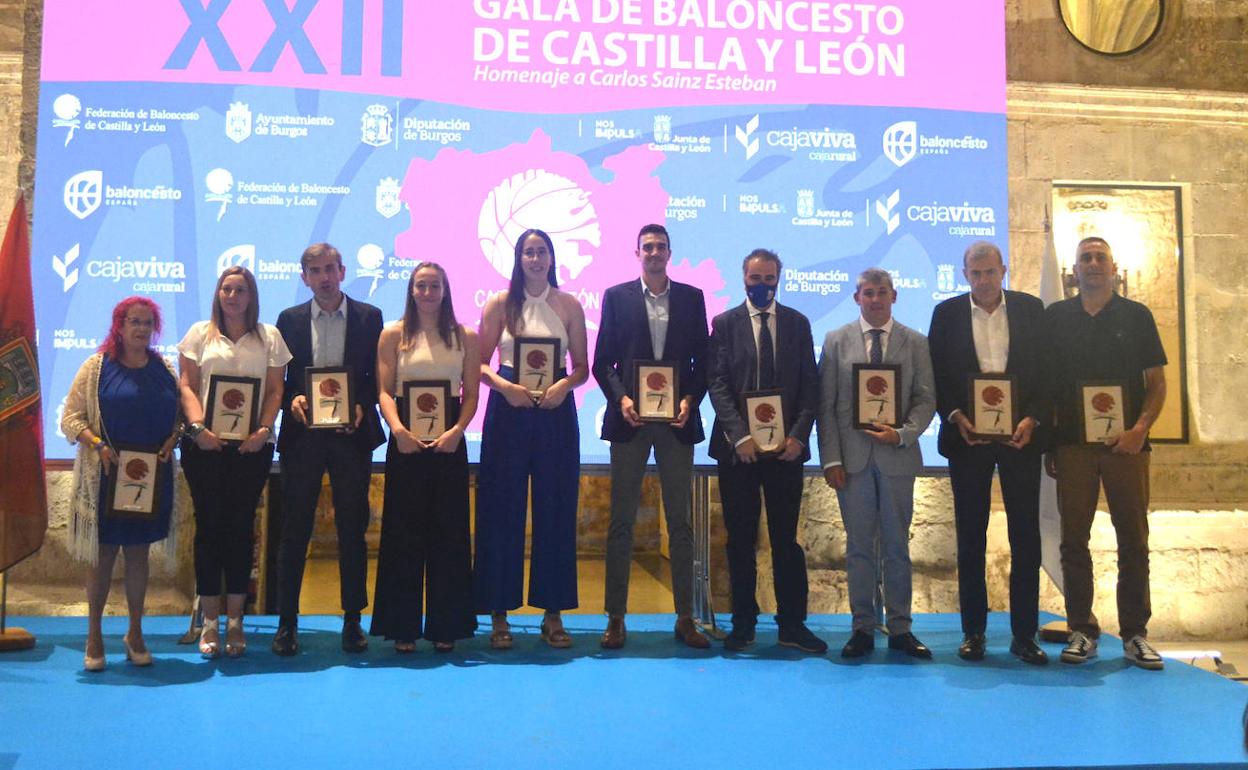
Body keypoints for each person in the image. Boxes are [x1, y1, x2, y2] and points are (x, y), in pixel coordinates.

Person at [1045, 236, 1167, 670]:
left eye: (1100, 257)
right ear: (1074, 270)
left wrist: (1138, 430)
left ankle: (1135, 634)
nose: (1093, 264)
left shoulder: (1137, 316)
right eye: (1085, 258)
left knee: (1134, 540)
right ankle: (1082, 628)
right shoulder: (1056, 317)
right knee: (1073, 540)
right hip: (1073, 446)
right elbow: (1047, 387)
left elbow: (1156, 385)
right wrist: (1051, 444)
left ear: (1113, 267)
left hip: (1127, 449)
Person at [927, 241, 1049, 665]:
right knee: (970, 538)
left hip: (1021, 439)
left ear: (1004, 270)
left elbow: (1048, 372)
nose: (983, 280)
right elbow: (937, 376)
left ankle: (1024, 634)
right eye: (975, 273)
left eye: (990, 272)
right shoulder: (946, 314)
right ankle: (974, 632)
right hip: (970, 439)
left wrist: (1031, 418)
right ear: (965, 275)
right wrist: (957, 414)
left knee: (1026, 537)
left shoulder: (1032, 310)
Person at [592, 224, 710, 650]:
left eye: (661, 246)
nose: (655, 252)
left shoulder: (692, 298)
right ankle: (615, 618)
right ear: (637, 252)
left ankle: (685, 617)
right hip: (631, 422)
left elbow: (703, 360)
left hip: (677, 423)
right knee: (621, 521)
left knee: (680, 522)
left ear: (670, 253)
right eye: (648, 247)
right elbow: (602, 361)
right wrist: (622, 398)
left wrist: (690, 399)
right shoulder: (616, 297)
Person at [475, 229, 589, 649]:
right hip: (508, 410)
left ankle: (553, 612)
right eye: (528, 252)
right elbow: (479, 364)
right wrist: (505, 389)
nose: (535, 259)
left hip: (556, 412)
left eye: (542, 252)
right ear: (518, 258)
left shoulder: (569, 304)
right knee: (500, 508)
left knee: (556, 509)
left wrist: (564, 387)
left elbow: (582, 367)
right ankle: (498, 613)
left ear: (551, 257)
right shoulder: (499, 305)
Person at [707, 248, 825, 654]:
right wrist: (738, 436)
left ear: (779, 279)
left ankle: (792, 624)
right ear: (743, 279)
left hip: (785, 452)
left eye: (769, 278)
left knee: (786, 541)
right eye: (755, 279)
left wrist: (798, 436)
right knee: (740, 541)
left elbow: (810, 385)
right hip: (738, 452)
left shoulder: (797, 324)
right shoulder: (724, 324)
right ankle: (743, 624)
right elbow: (717, 384)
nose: (762, 286)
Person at [271, 243, 385, 657]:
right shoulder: (289, 320)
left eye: (330, 269)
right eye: (315, 270)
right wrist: (292, 400)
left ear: (342, 271)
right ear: (304, 277)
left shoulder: (370, 318)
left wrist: (362, 402)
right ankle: (286, 623)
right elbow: (278, 382)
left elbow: (378, 376)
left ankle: (353, 621)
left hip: (351, 435)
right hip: (303, 436)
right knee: (294, 530)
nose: (324, 277)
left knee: (352, 529)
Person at [817, 268, 936, 659]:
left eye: (882, 292)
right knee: (859, 547)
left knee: (898, 547)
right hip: (851, 462)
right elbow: (828, 406)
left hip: (898, 457)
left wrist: (902, 433)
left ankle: (900, 628)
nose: (875, 299)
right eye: (868, 293)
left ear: (894, 296)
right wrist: (831, 458)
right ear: (857, 298)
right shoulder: (836, 341)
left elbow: (926, 399)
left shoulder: (916, 342)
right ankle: (862, 627)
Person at [62, 297, 181, 671]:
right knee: (104, 557)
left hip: (149, 479)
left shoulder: (165, 368)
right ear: (120, 325)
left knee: (138, 556)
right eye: (134, 322)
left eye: (147, 323)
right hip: (106, 478)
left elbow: (180, 417)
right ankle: (94, 635)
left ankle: (135, 632)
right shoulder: (96, 368)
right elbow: (70, 418)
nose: (141, 329)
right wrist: (97, 445)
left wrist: (172, 440)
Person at [178, 266, 291, 658]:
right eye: (226, 288)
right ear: (218, 293)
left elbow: (277, 390)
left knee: (241, 531)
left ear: (251, 296)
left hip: (251, 449)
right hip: (203, 447)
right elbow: (187, 385)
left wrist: (262, 429)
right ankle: (209, 622)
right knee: (209, 530)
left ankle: (236, 622)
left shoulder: (270, 337)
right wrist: (197, 428)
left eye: (240, 289)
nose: (232, 295)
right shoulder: (198, 334)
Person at [370, 262, 480, 653]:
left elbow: (471, 394)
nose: (428, 292)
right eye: (422, 285)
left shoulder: (465, 336)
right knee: (403, 534)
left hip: (450, 441)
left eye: (435, 285)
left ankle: (445, 624)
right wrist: (397, 430)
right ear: (412, 290)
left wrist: (457, 431)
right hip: (405, 443)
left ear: (445, 290)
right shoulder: (393, 335)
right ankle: (402, 625)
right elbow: (384, 391)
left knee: (449, 535)